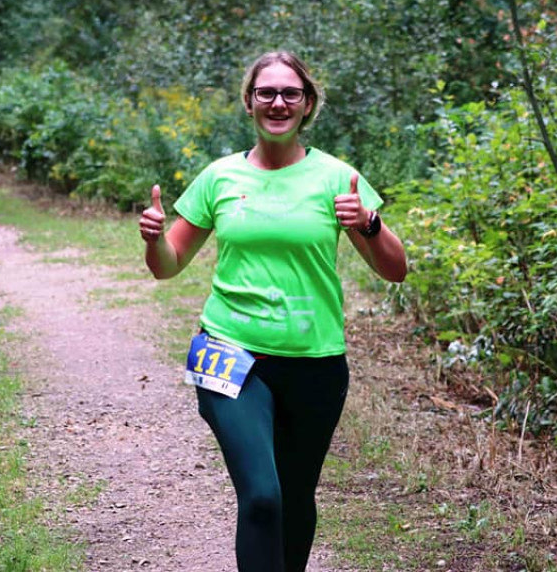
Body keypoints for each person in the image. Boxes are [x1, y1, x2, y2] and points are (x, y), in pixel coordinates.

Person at [139, 50, 407, 572]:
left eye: (290, 93)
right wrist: (154, 239)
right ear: (249, 102)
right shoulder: (219, 177)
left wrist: (369, 223)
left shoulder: (338, 179)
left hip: (316, 359)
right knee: (263, 496)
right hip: (228, 351)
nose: (278, 102)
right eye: (266, 92)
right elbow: (167, 266)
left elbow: (395, 270)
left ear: (307, 104)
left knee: (295, 496)